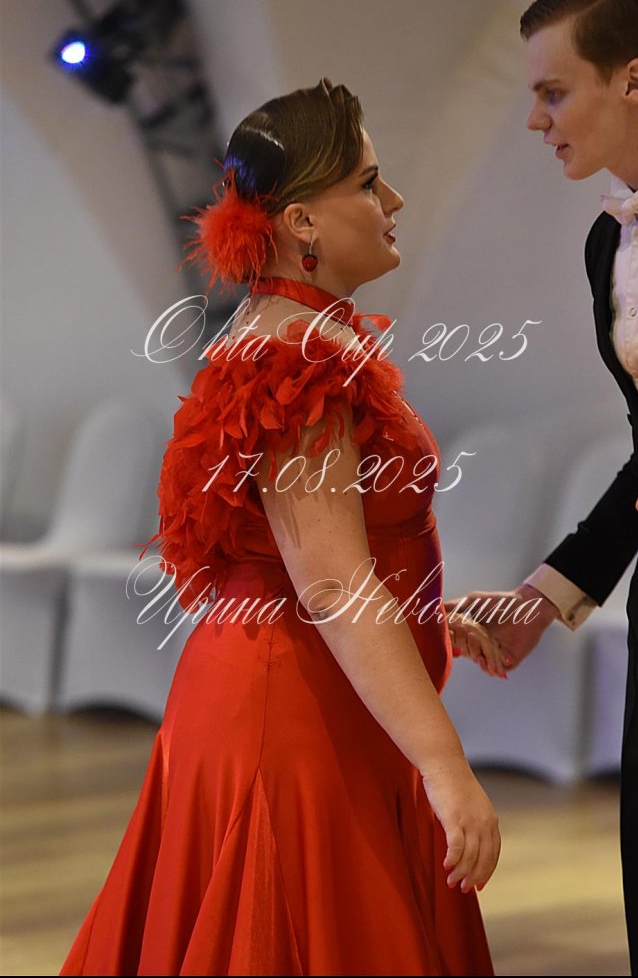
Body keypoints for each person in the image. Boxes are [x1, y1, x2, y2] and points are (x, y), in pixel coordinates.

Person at [59, 77, 500, 977]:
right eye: (368, 183)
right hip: (294, 716)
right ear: (302, 223)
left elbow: (307, 558)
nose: (394, 201)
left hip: (303, 688)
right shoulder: (298, 355)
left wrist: (421, 612)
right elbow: (330, 582)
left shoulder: (295, 332)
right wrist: (446, 764)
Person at [446, 0, 638, 975]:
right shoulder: (607, 243)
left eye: (552, 92)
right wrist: (546, 596)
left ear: (634, 80)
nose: (535, 120)